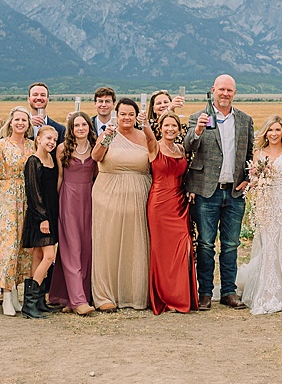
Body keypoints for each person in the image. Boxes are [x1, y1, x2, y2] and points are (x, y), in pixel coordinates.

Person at [181, 74, 253, 310]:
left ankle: (228, 292)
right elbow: (187, 147)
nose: (225, 93)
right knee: (206, 244)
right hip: (206, 192)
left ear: (235, 93)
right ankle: (205, 292)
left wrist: (248, 179)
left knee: (231, 245)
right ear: (213, 90)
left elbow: (249, 153)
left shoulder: (245, 120)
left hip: (234, 192)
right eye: (221, 89)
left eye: (229, 90)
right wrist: (198, 130)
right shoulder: (198, 117)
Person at [90, 97, 155, 311]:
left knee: (136, 244)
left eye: (131, 114)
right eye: (123, 114)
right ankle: (105, 295)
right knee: (108, 243)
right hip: (108, 197)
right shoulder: (108, 134)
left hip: (139, 198)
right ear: (116, 115)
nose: (127, 118)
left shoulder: (144, 136)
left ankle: (134, 293)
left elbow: (155, 158)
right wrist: (106, 139)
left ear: (136, 116)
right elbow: (96, 157)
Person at [239, 116, 282, 315]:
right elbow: (254, 178)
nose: (274, 133)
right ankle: (266, 292)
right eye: (270, 130)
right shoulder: (258, 153)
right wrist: (252, 184)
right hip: (266, 205)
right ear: (265, 132)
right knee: (268, 246)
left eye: (278, 130)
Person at [0, 107, 38, 316]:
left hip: (28, 198)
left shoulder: (32, 145)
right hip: (7, 197)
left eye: (24, 120)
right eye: (17, 119)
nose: (20, 123)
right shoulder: (2, 144)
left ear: (28, 124)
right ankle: (6, 294)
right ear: (10, 123)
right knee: (8, 245)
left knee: (23, 246)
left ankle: (15, 292)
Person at [48, 111, 98, 316]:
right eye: (76, 125)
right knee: (71, 249)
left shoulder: (96, 148)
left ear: (89, 127)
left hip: (90, 200)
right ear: (71, 129)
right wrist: (55, 206)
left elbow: (97, 176)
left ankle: (71, 295)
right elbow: (60, 177)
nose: (80, 128)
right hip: (69, 200)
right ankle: (78, 301)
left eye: (83, 125)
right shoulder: (62, 148)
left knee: (86, 249)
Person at [146, 113, 197, 314]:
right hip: (159, 204)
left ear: (178, 129)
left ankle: (180, 295)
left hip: (179, 203)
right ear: (160, 128)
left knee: (183, 247)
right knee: (162, 251)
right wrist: (143, 122)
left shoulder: (181, 149)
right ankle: (164, 297)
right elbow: (147, 134)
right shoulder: (154, 146)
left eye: (174, 125)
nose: (170, 129)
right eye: (166, 125)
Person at [18, 124, 62, 318]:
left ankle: (38, 301)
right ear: (38, 139)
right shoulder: (33, 161)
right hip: (40, 216)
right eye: (48, 139)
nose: (52, 142)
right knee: (49, 256)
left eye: (54, 140)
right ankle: (29, 303)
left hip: (51, 213)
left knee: (37, 256)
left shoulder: (51, 159)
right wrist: (43, 218)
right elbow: (33, 193)